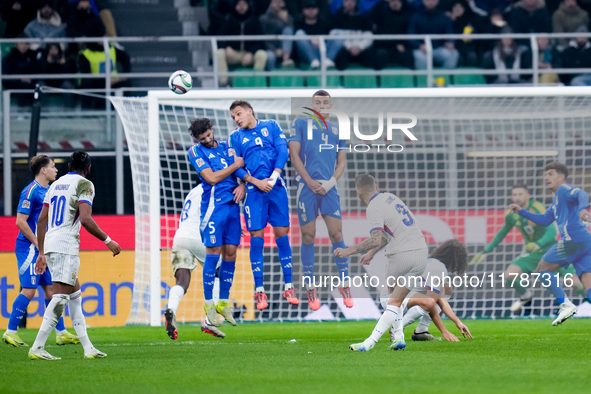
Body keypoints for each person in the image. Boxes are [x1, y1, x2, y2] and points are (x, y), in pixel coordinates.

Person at [28, 151, 122, 360]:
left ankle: (88, 347)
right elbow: (86, 219)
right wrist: (108, 240)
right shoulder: (84, 184)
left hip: (51, 243)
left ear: (70, 165)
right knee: (60, 297)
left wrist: (41, 252)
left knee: (74, 296)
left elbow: (41, 219)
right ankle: (37, 347)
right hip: (65, 246)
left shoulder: (55, 184)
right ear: (88, 167)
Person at [335, 174, 428, 351]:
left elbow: (376, 239)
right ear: (376, 186)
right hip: (421, 253)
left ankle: (369, 342)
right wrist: (371, 253)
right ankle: (399, 337)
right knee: (397, 298)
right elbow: (386, 236)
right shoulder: (390, 198)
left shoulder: (373, 207)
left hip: (402, 254)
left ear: (358, 191)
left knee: (388, 298)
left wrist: (349, 250)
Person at [227, 100, 299, 310]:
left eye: (239, 114)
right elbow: (235, 167)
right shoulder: (235, 137)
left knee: (282, 233)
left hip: (276, 187)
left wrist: (274, 177)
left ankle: (289, 285)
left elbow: (283, 152)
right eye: (233, 117)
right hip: (253, 191)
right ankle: (259, 291)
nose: (237, 119)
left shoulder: (271, 126)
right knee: (256, 237)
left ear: (250, 111)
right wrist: (255, 182)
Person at [2, 155, 79, 348]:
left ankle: (61, 333)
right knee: (28, 289)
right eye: (53, 166)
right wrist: (38, 244)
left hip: (40, 248)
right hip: (29, 248)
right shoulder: (31, 191)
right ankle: (10, 331)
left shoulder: (49, 190)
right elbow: (20, 221)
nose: (56, 170)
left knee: (52, 291)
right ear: (43, 170)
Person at [472, 184, 583, 312]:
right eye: (514, 195)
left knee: (574, 283)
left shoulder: (537, 207)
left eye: (520, 194)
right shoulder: (511, 214)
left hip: (552, 251)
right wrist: (487, 250)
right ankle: (526, 296)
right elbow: (502, 233)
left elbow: (552, 231)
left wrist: (537, 244)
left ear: (528, 195)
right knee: (509, 275)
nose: (517, 197)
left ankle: (587, 303)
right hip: (533, 254)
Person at [289, 90, 352, 311]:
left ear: (330, 104)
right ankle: (309, 284)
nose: (322, 105)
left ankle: (345, 282)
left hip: (329, 189)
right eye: (318, 102)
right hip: (306, 188)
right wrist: (309, 181)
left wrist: (330, 183)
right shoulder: (300, 123)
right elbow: (294, 154)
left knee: (336, 234)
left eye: (326, 102)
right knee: (308, 236)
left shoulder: (338, 128)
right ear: (312, 104)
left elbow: (341, 160)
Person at [509, 162, 591, 326]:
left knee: (542, 269)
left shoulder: (563, 189)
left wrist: (583, 209)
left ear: (561, 176)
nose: (546, 177)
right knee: (587, 283)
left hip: (572, 239)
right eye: (545, 174)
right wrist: (521, 211)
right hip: (584, 242)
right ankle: (568, 304)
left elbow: (582, 194)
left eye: (551, 173)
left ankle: (565, 304)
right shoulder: (556, 201)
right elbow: (545, 220)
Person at [185, 118, 247, 331]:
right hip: (213, 208)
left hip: (232, 208)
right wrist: (235, 166)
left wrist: (243, 185)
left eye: (208, 136)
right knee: (213, 254)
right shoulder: (195, 152)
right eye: (202, 139)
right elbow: (211, 178)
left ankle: (223, 303)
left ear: (212, 131)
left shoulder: (227, 147)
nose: (207, 140)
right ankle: (209, 305)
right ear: (197, 139)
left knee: (231, 254)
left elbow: (242, 169)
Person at [163, 184, 227, 340]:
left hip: (180, 238)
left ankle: (171, 308)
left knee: (182, 282)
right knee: (221, 271)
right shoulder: (214, 189)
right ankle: (210, 320)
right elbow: (215, 215)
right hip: (198, 237)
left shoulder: (194, 190)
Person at [397, 239, 472, 342]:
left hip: (399, 298)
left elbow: (441, 300)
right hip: (397, 302)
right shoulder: (438, 269)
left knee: (447, 288)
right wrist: (444, 331)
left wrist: (457, 322)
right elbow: (431, 303)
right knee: (429, 302)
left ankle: (421, 331)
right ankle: (398, 328)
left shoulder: (432, 263)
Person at [216, 0, 267, 86]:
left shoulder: (255, 21)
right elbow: (220, 39)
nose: (242, 7)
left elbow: (260, 42)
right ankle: (223, 83)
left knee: (262, 54)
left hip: (249, 55)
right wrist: (227, 47)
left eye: (244, 4)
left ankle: (256, 83)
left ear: (248, 5)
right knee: (219, 53)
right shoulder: (228, 20)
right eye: (239, 4)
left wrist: (251, 53)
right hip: (233, 54)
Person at [408, 0, 460, 70]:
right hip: (421, 49)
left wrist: (450, 42)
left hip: (439, 48)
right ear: (423, 1)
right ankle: (423, 80)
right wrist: (419, 46)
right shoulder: (416, 16)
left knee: (453, 54)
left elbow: (450, 33)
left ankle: (444, 78)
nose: (430, 2)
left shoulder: (444, 16)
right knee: (420, 57)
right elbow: (411, 35)